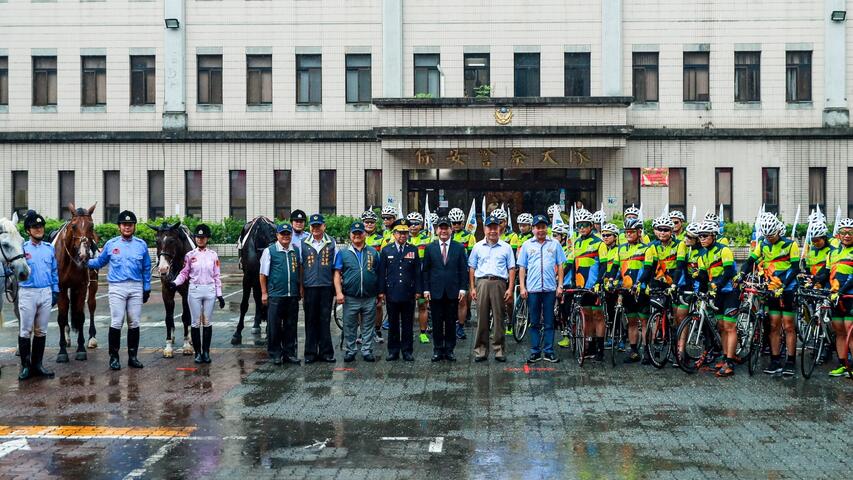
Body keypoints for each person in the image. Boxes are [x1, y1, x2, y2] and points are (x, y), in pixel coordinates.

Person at [88, 210, 151, 370]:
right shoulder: (111, 244)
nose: (127, 227)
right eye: (124, 225)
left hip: (136, 286)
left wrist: (147, 287)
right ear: (119, 227)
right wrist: (84, 262)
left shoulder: (141, 245)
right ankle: (114, 358)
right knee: (117, 321)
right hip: (117, 287)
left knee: (134, 322)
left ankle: (133, 357)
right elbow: (100, 262)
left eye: (130, 225)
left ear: (134, 226)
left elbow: (146, 267)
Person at [737, 212, 800, 376]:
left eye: (771, 235)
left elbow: (795, 268)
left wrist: (784, 284)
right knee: (773, 325)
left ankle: (791, 361)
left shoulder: (790, 244)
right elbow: (750, 261)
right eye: (766, 235)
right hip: (771, 289)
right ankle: (775, 359)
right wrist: (741, 275)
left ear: (778, 231)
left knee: (788, 326)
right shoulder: (763, 244)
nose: (769, 238)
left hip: (787, 289)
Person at [169, 224, 224, 364]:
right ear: (195, 238)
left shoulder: (213, 255)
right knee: (195, 322)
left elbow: (217, 275)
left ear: (207, 238)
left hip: (210, 290)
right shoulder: (190, 255)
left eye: (203, 237)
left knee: (207, 322)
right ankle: (198, 353)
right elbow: (184, 273)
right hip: (195, 290)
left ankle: (206, 352)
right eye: (198, 237)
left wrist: (220, 294)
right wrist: (175, 283)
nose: (200, 240)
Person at [518, 214, 566, 363]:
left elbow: (560, 265)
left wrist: (560, 285)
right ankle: (535, 351)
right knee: (534, 322)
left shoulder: (555, 244)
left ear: (547, 228)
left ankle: (549, 351)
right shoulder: (527, 245)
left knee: (550, 321)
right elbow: (522, 267)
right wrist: (522, 287)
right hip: (532, 289)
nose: (541, 230)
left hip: (550, 289)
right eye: (538, 227)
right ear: (533, 229)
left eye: (543, 227)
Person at [468, 215, 516, 362]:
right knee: (481, 318)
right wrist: (472, 288)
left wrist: (510, 288)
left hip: (499, 284)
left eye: (495, 227)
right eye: (490, 228)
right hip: (482, 282)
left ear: (499, 229)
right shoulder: (477, 246)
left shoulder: (506, 247)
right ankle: (481, 351)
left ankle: (499, 350)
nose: (492, 231)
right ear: (484, 229)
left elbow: (512, 268)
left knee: (499, 318)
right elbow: (472, 267)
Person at [695, 221, 739, 377]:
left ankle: (730, 362)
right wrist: (699, 291)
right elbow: (703, 276)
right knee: (721, 326)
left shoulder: (724, 250)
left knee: (729, 326)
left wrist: (716, 286)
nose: (702, 238)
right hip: (717, 293)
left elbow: (728, 272)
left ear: (714, 235)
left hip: (730, 291)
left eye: (705, 236)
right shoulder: (702, 254)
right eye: (700, 236)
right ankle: (725, 357)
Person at [17, 212, 57, 380]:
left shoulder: (50, 249)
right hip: (28, 292)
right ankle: (25, 367)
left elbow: (54, 271)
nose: (39, 229)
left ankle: (38, 365)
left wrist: (56, 290)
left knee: (41, 330)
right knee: (26, 330)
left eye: (41, 226)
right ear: (28, 231)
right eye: (35, 227)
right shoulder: (22, 249)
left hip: (46, 292)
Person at [422, 217, 468, 362]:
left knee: (450, 322)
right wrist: (426, 289)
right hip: (435, 292)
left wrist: (462, 289)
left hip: (452, 291)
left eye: (446, 228)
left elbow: (463, 270)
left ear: (451, 230)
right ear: (437, 230)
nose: (443, 231)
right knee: (436, 323)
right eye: (441, 228)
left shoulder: (459, 247)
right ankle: (437, 350)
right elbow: (426, 271)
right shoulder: (430, 247)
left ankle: (449, 350)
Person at [334, 221, 381, 363]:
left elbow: (378, 274)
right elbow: (337, 274)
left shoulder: (373, 252)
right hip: (350, 296)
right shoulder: (343, 253)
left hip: (369, 296)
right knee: (349, 325)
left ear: (365, 234)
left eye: (360, 233)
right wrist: (339, 293)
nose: (357, 236)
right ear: (350, 235)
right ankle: (350, 350)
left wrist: (379, 293)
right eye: (354, 233)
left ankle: (367, 350)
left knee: (368, 325)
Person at [378, 219, 422, 361]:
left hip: (408, 293)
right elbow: (381, 273)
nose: (403, 235)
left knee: (408, 324)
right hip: (392, 293)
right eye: (400, 232)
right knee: (393, 324)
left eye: (405, 232)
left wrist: (418, 291)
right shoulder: (386, 250)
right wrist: (381, 292)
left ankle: (407, 351)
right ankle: (393, 351)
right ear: (394, 233)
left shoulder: (413, 249)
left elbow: (417, 273)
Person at [606, 217, 649, 363]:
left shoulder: (646, 249)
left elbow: (648, 270)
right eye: (626, 232)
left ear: (639, 232)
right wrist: (611, 280)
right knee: (631, 322)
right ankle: (634, 351)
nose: (628, 234)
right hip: (627, 290)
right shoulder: (621, 249)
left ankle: (647, 351)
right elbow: (615, 267)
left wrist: (640, 283)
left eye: (631, 232)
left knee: (643, 322)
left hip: (641, 290)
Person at [259, 223, 302, 365]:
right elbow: (263, 274)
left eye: (288, 234)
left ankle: (289, 353)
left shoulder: (295, 250)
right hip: (276, 295)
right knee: (274, 326)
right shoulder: (270, 251)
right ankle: (275, 354)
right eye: (282, 234)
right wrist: (264, 293)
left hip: (292, 295)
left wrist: (300, 288)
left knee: (291, 325)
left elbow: (299, 271)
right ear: (277, 235)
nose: (285, 236)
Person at [571, 209, 609, 361]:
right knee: (587, 316)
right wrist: (573, 281)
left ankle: (600, 349)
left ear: (592, 225)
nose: (582, 228)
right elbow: (574, 263)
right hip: (581, 285)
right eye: (579, 225)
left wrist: (599, 282)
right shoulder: (577, 242)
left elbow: (604, 266)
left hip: (594, 286)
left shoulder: (599, 243)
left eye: (585, 225)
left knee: (598, 316)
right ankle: (590, 346)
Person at [301, 214, 336, 363]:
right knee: (310, 321)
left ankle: (326, 353)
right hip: (310, 288)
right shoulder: (303, 243)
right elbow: (301, 267)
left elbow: (336, 268)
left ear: (324, 226)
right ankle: (310, 353)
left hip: (326, 287)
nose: (316, 228)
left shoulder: (331, 243)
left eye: (318, 225)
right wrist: (301, 287)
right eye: (313, 226)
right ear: (310, 227)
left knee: (325, 320)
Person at [827, 218, 853, 377]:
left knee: (850, 331)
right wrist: (814, 281)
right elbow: (827, 272)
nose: (847, 235)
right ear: (838, 235)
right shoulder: (833, 252)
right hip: (836, 296)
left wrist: (842, 291)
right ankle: (843, 365)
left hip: (850, 296)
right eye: (843, 232)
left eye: (850, 232)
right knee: (839, 332)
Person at [407, 212, 432, 344]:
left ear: (421, 225)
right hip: (407, 279)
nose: (413, 226)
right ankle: (408, 332)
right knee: (407, 308)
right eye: (410, 224)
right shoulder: (403, 238)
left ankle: (423, 332)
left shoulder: (427, 239)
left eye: (416, 224)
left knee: (422, 306)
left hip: (421, 279)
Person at [449, 207, 475, 339]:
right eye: (453, 223)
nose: (456, 225)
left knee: (462, 301)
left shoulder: (469, 236)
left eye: (459, 222)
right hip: (449, 273)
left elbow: (471, 257)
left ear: (463, 222)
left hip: (462, 272)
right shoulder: (446, 235)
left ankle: (460, 326)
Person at [362, 210, 386, 345]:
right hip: (362, 277)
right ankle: (363, 332)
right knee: (360, 306)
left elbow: (382, 261)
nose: (369, 224)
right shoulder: (358, 236)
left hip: (375, 277)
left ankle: (377, 331)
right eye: (367, 222)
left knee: (378, 305)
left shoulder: (380, 239)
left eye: (372, 222)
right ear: (363, 223)